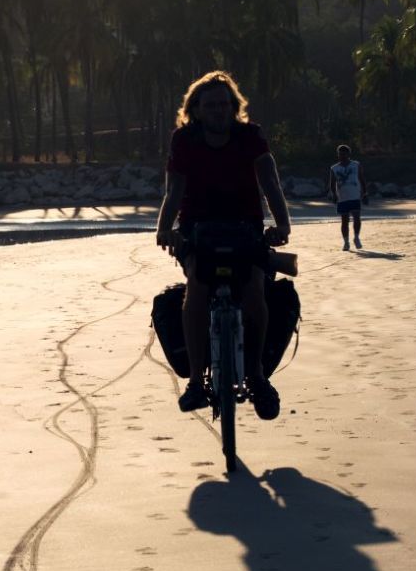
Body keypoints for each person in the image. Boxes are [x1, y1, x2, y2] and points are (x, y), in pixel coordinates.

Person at [155, 70, 292, 421]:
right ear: (196, 110)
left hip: (245, 227)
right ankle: (195, 382)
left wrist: (282, 224)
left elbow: (270, 182)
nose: (218, 110)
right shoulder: (184, 140)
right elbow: (174, 190)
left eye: (223, 104)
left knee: (254, 289)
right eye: (210, 105)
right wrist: (164, 229)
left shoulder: (251, 136)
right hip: (197, 229)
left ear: (234, 107)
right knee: (197, 289)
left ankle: (257, 377)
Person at [326, 145, 369, 251]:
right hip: (342, 198)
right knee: (344, 221)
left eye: (344, 154)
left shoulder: (356, 165)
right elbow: (332, 183)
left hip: (355, 196)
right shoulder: (334, 168)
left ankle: (356, 237)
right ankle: (346, 242)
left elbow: (362, 179)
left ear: (348, 154)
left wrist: (365, 193)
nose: (342, 156)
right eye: (340, 154)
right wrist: (334, 195)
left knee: (357, 217)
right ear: (338, 155)